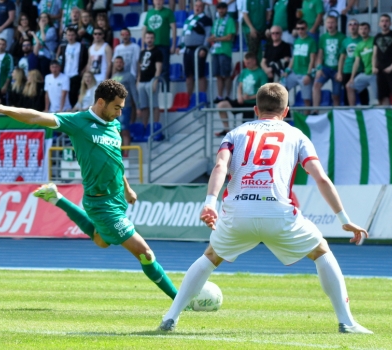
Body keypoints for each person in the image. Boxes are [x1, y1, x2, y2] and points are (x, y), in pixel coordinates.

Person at [157, 82, 373, 335]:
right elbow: (321, 178)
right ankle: (346, 322)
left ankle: (171, 317)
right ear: (287, 110)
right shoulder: (296, 135)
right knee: (321, 251)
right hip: (278, 213)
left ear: (255, 109)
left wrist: (209, 204)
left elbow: (220, 168)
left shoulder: (235, 133)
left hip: (238, 213)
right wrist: (343, 218)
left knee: (211, 256)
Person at [0, 79, 178, 301]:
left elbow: (114, 159)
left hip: (117, 199)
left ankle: (57, 198)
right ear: (101, 102)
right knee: (146, 254)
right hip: (101, 206)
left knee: (101, 240)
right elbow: (35, 116)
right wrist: (0, 108)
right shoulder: (77, 121)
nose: (120, 113)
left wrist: (127, 189)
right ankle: (180, 299)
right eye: (117, 107)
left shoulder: (114, 125)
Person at [215, 52, 268, 136]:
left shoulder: (261, 73)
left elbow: (264, 92)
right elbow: (240, 86)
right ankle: (226, 130)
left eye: (248, 63)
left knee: (247, 130)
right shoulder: (244, 71)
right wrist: (239, 96)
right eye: (245, 63)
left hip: (254, 103)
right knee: (221, 105)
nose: (246, 64)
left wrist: (250, 97)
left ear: (254, 61)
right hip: (243, 100)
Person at [312, 16, 346, 111]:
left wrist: (340, 72)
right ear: (325, 24)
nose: (330, 25)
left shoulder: (342, 37)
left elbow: (343, 57)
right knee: (316, 85)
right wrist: (318, 68)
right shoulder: (323, 37)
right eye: (328, 23)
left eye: (332, 22)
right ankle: (315, 111)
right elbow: (320, 54)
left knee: (336, 95)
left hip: (337, 69)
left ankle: (337, 114)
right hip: (325, 68)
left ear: (336, 24)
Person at [142, 0, 177, 90]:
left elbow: (174, 28)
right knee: (150, 69)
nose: (158, 2)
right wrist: (143, 45)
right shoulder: (149, 13)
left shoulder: (168, 12)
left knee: (164, 70)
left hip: (164, 45)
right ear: (153, 1)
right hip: (151, 46)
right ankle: (152, 90)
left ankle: (165, 92)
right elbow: (144, 29)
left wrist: (173, 45)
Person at [283, 19, 317, 109]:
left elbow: (312, 60)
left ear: (306, 28)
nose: (300, 31)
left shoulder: (311, 41)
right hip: (294, 72)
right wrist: (287, 70)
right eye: (298, 29)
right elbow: (293, 58)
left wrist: (309, 75)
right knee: (281, 90)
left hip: (305, 74)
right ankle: (285, 112)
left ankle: (306, 120)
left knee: (306, 100)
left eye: (302, 28)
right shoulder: (296, 41)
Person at [182, 1, 212, 98]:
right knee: (188, 75)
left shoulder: (206, 19)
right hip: (187, 50)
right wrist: (179, 45)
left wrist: (204, 48)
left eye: (200, 6)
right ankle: (189, 97)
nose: (197, 8)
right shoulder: (189, 19)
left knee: (200, 74)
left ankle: (202, 97)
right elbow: (184, 33)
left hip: (199, 49)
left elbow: (208, 34)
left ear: (203, 8)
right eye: (196, 5)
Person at [208, 2, 236, 103]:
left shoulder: (230, 20)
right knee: (218, 75)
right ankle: (219, 96)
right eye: (219, 8)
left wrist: (216, 39)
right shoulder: (216, 21)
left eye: (223, 8)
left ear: (226, 9)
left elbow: (229, 36)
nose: (221, 10)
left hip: (225, 51)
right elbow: (213, 34)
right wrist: (210, 39)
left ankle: (228, 96)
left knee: (226, 74)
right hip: (215, 50)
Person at [373, 14, 392, 106]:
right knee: (383, 96)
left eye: (386, 21)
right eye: (382, 21)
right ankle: (387, 119)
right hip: (381, 70)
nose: (384, 23)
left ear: (390, 23)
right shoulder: (377, 37)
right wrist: (373, 67)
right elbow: (374, 54)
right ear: (379, 24)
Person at [338, 19, 369, 106]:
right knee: (347, 94)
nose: (352, 26)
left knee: (363, 94)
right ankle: (349, 114)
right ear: (348, 27)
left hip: (360, 70)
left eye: (355, 24)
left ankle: (365, 113)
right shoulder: (345, 41)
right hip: (347, 70)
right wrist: (339, 72)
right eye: (350, 24)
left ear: (358, 27)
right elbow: (341, 58)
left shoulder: (363, 39)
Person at [111, 56, 138, 152]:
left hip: (125, 107)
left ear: (123, 64)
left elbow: (134, 92)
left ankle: (126, 154)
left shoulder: (129, 76)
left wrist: (138, 107)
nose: (118, 64)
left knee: (125, 130)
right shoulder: (113, 77)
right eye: (117, 62)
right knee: (116, 132)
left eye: (120, 62)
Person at [346, 22, 377, 106]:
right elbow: (356, 62)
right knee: (349, 86)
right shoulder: (359, 45)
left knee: (379, 99)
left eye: (365, 29)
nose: (363, 31)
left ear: (369, 30)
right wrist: (352, 78)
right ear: (358, 31)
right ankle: (352, 110)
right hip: (366, 73)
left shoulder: (374, 40)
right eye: (361, 29)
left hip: (375, 73)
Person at [137, 32, 163, 128]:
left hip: (151, 81)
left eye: (151, 38)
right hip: (142, 81)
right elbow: (139, 68)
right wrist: (138, 81)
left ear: (154, 39)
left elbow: (158, 68)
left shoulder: (157, 52)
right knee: (144, 106)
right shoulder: (142, 52)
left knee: (155, 105)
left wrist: (155, 81)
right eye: (147, 38)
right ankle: (145, 126)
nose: (149, 40)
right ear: (144, 39)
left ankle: (156, 125)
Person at [61, 28, 89, 107]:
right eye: (69, 35)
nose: (70, 37)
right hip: (65, 75)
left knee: (74, 95)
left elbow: (86, 60)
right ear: (66, 36)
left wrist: (83, 71)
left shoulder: (81, 46)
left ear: (76, 35)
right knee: (65, 95)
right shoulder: (64, 47)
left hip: (76, 74)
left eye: (72, 35)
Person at [33, 12, 59, 76]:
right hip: (38, 56)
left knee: (45, 75)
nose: (43, 18)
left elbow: (44, 39)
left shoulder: (51, 29)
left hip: (47, 56)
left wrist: (42, 28)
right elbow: (34, 44)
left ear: (49, 19)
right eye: (41, 17)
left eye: (45, 17)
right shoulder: (37, 32)